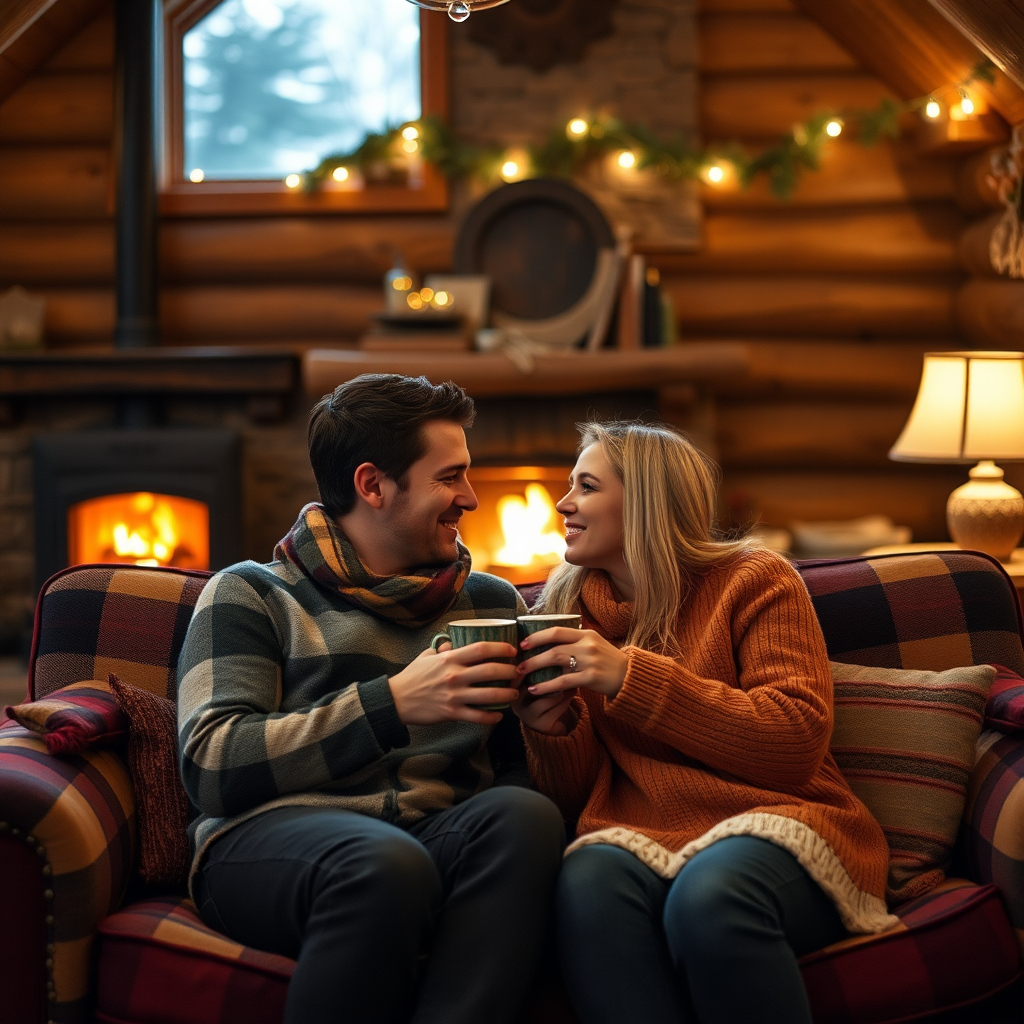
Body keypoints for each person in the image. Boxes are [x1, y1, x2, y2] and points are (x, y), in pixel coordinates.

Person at [177, 373, 565, 1024]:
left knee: (525, 818)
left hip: (433, 832)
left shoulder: (490, 603)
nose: (470, 498)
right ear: (372, 485)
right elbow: (212, 764)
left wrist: (545, 730)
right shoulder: (250, 595)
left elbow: (513, 774)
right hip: (268, 847)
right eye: (450, 477)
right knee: (386, 865)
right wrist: (390, 704)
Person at [513, 420, 896, 1024]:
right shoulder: (562, 611)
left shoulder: (754, 581)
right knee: (585, 883)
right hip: (634, 833)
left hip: (781, 823)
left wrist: (629, 676)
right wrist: (552, 733)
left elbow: (795, 740)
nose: (564, 504)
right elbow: (577, 799)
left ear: (643, 501)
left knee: (710, 897)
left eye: (585, 487)